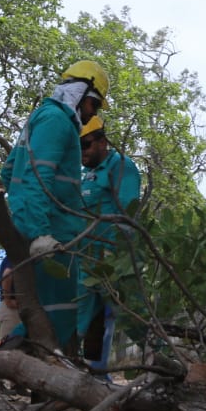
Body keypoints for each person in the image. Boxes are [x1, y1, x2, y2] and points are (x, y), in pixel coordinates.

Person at [0, 59, 110, 352]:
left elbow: (9, 173)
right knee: (58, 317)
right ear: (84, 94)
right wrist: (39, 233)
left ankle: (17, 374)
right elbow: (39, 176)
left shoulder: (43, 117)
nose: (91, 116)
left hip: (40, 231)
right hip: (52, 237)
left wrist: (25, 220)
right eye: (94, 107)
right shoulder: (57, 121)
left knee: (43, 314)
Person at [75, 114, 142, 375]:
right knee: (77, 322)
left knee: (134, 319)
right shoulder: (84, 175)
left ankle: (168, 367)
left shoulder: (121, 167)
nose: (82, 152)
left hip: (115, 264)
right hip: (85, 264)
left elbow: (126, 214)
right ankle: (82, 379)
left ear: (102, 141)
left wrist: (113, 257)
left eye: (86, 144)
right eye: (77, 146)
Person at [0, 257, 20, 341]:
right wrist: (8, 301)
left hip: (16, 305)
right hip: (12, 308)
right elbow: (7, 274)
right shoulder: (16, 255)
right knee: (9, 345)